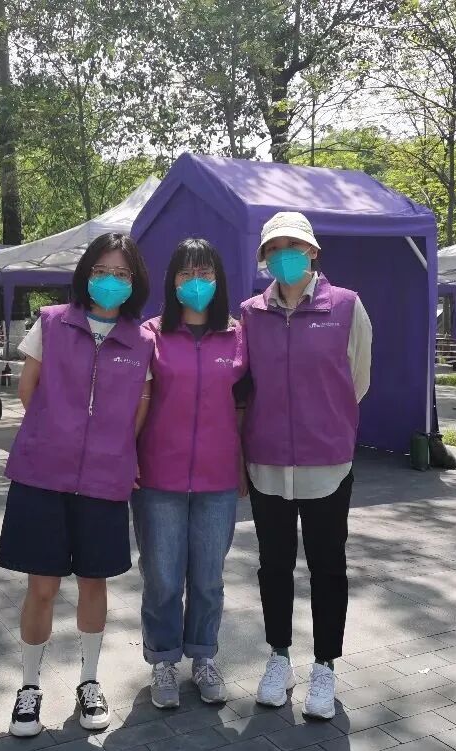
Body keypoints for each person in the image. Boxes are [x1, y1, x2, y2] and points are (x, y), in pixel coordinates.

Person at [0, 232, 153, 738]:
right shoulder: (51, 322)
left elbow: (141, 407)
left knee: (93, 582)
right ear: (86, 274)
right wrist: (59, 436)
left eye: (121, 273)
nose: (110, 280)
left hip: (105, 479)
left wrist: (111, 449)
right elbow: (28, 389)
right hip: (43, 475)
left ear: (134, 282)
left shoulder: (142, 341)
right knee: (41, 586)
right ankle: (29, 687)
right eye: (101, 271)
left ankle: (89, 681)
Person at [239, 212, 372, 719]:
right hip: (268, 460)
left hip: (327, 463)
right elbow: (246, 382)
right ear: (264, 258)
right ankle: (279, 658)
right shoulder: (251, 313)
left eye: (293, 246)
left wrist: (326, 421)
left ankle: (325, 665)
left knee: (327, 566)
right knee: (273, 565)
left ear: (313, 252)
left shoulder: (347, 306)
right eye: (274, 249)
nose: (284, 256)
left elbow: (357, 378)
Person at [133, 238, 248, 709]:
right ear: (172, 281)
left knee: (208, 578)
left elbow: (246, 404)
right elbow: (133, 402)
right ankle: (163, 659)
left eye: (205, 273)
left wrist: (244, 464)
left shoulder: (237, 335)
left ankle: (203, 656)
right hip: (157, 476)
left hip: (217, 479)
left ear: (218, 280)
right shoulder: (151, 335)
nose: (195, 282)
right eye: (186, 273)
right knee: (162, 577)